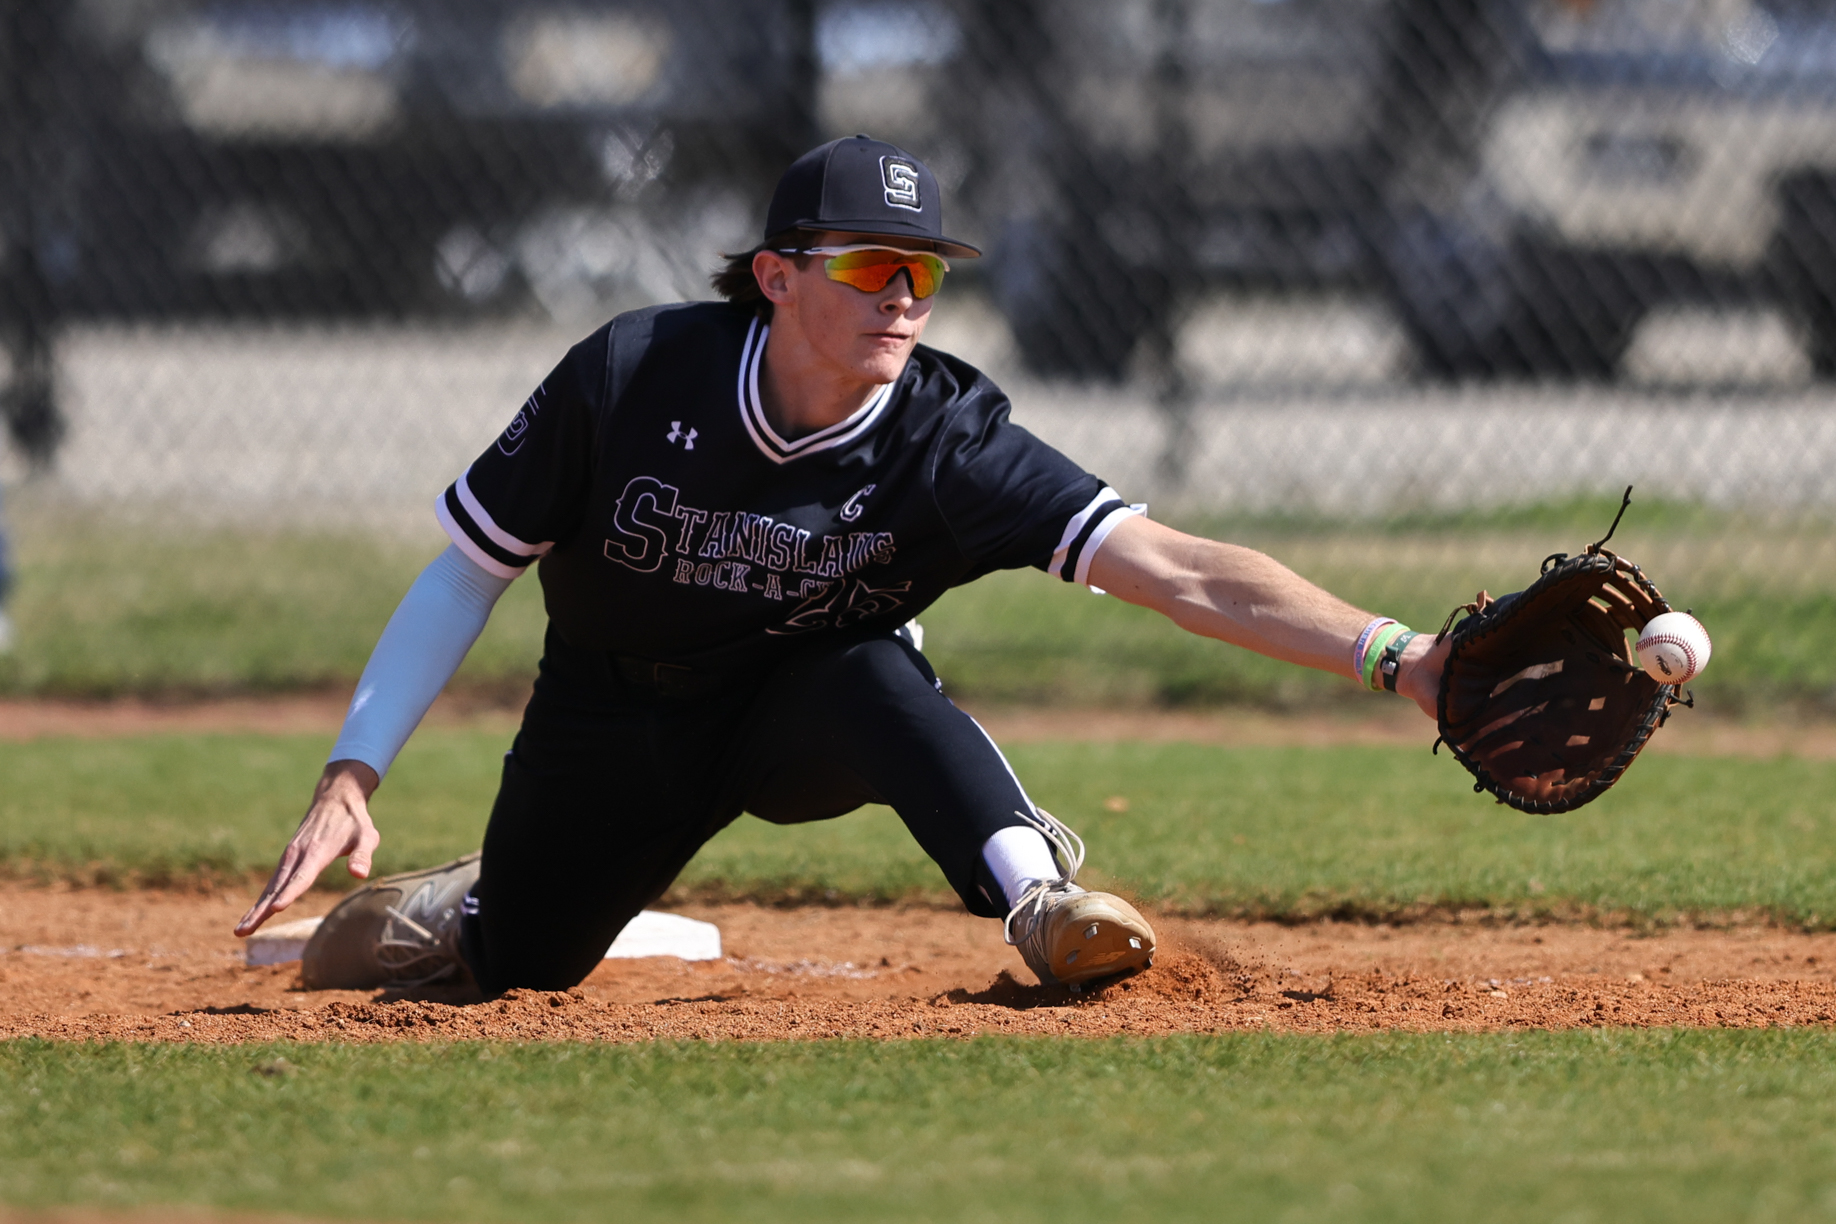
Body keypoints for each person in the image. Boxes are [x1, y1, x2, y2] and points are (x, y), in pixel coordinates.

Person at [234, 136, 1449, 997]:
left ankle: (1041, 902)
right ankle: (471, 904)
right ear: (778, 276)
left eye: (927, 272)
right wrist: (353, 773)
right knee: (520, 966)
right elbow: (469, 570)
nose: (905, 298)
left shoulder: (947, 438)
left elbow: (1177, 569)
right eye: (873, 267)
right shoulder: (633, 375)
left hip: (802, 714)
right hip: (611, 711)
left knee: (865, 671)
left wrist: (1401, 657)